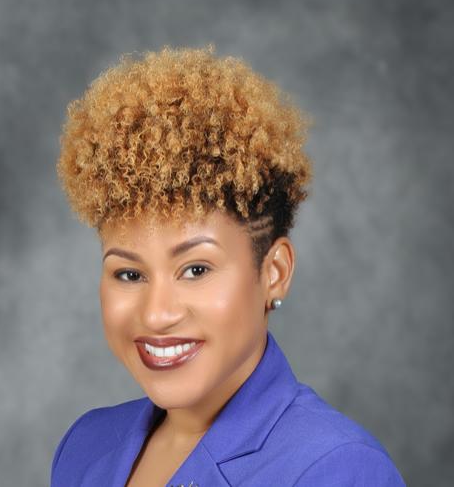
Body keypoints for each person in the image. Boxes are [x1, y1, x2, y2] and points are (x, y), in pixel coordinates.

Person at [51, 45, 405, 486]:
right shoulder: (84, 447)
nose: (157, 314)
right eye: (130, 274)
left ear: (274, 272)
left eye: (196, 270)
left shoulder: (335, 468)